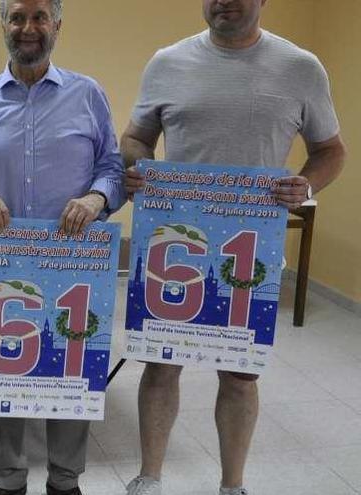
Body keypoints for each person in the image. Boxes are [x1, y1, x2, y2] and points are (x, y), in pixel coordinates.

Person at [120, 1, 346, 494]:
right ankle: (149, 477)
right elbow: (137, 136)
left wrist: (305, 186)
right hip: (173, 247)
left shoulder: (300, 67)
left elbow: (331, 151)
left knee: (240, 375)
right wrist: (139, 168)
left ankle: (232, 485)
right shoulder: (167, 62)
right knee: (161, 364)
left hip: (251, 251)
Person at [0, 1, 125, 494]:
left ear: (57, 26)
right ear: (3, 25)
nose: (28, 28)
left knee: (72, 367)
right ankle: (9, 478)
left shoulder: (89, 96)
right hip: (1, 267)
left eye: (40, 17)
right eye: (18, 17)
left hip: (73, 266)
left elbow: (113, 170)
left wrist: (95, 196)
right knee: (5, 368)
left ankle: (66, 481)